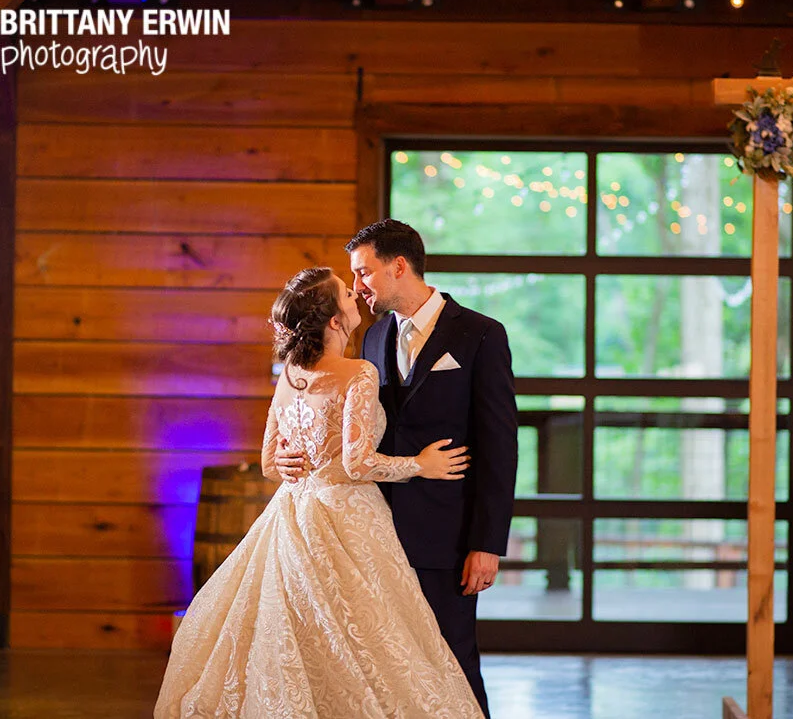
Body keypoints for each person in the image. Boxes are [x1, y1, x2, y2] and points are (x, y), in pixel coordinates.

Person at [154, 267, 484, 719]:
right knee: (370, 634)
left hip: (295, 512)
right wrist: (420, 465)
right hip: (349, 518)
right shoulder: (359, 372)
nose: (356, 295)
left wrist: (291, 468)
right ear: (334, 320)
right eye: (348, 293)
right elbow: (357, 463)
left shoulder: (291, 373)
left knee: (302, 632)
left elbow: (271, 462)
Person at [276, 220, 519, 718]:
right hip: (371, 536)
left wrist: (488, 544)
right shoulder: (371, 338)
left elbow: (500, 448)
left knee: (451, 663)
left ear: (399, 266)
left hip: (445, 537)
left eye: (364, 273)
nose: (358, 285)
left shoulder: (480, 334)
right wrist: (288, 452)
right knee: (384, 671)